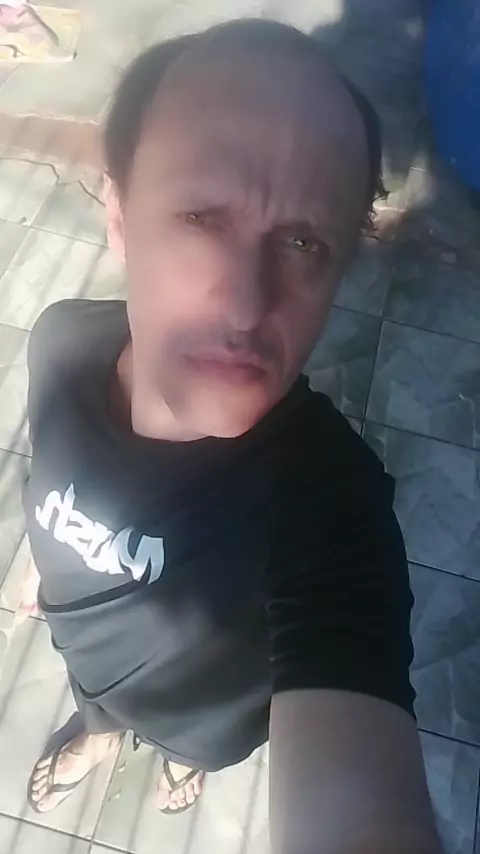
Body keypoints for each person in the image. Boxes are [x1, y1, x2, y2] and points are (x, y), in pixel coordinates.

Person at [23, 18, 442, 854]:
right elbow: (58, 472)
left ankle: (186, 763)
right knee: (100, 706)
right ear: (119, 212)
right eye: (201, 216)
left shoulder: (332, 510)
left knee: (198, 748)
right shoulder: (61, 344)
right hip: (92, 664)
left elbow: (363, 821)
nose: (249, 305)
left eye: (303, 241)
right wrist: (51, 556)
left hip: (212, 723)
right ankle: (101, 732)